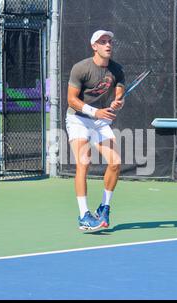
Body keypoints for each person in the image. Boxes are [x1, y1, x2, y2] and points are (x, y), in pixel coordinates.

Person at [66, 30, 125, 231]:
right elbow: (71, 100)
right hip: (78, 118)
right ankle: (83, 215)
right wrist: (95, 112)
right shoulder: (81, 68)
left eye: (110, 41)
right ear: (94, 46)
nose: (108, 45)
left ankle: (104, 206)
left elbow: (119, 92)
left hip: (99, 121)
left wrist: (118, 102)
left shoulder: (116, 69)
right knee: (84, 162)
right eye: (103, 42)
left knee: (115, 162)